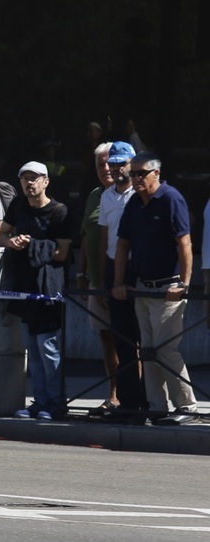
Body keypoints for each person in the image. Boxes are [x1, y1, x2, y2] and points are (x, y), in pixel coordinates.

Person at [113, 151, 198, 425]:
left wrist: (184, 283)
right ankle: (156, 407)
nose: (135, 178)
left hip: (167, 289)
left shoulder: (170, 198)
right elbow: (122, 244)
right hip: (142, 287)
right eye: (132, 173)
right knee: (147, 351)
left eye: (141, 173)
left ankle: (187, 407)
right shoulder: (134, 203)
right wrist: (118, 282)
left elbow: (184, 243)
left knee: (165, 350)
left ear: (156, 174)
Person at [0, 162, 72, 421]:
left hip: (48, 288)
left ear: (46, 182)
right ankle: (39, 401)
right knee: (32, 347)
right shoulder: (17, 205)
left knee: (48, 348)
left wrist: (34, 246)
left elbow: (62, 252)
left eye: (34, 178)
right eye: (24, 179)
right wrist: (13, 242)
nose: (29, 184)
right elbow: (1, 236)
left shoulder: (59, 211)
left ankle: (56, 402)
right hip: (23, 285)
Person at [97, 141, 147, 417]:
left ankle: (145, 399)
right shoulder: (106, 196)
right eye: (112, 163)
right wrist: (103, 271)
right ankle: (128, 402)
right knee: (121, 338)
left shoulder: (139, 195)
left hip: (135, 268)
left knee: (143, 339)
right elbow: (104, 235)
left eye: (121, 163)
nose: (116, 168)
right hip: (112, 266)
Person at [75, 142, 121, 414]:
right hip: (96, 282)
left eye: (109, 162)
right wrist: (81, 274)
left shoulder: (129, 195)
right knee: (106, 338)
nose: (106, 168)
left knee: (127, 341)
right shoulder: (95, 195)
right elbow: (86, 235)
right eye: (100, 164)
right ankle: (114, 395)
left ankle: (132, 397)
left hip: (122, 283)